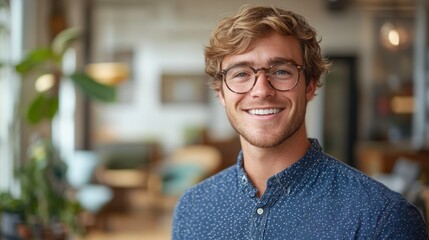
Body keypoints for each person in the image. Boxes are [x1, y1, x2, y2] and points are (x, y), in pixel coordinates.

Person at [172, 5, 428, 239]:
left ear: (310, 85)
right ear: (221, 92)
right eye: (241, 73)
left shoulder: (383, 217)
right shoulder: (192, 208)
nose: (261, 90)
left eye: (281, 71)